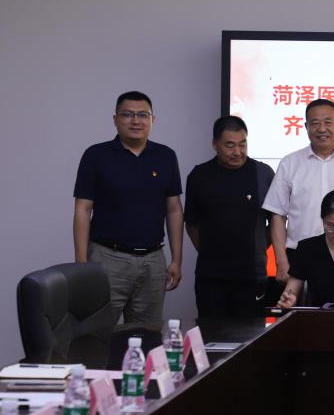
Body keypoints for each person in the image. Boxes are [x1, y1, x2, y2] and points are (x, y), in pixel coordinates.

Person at [73, 91, 183, 325]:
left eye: (143, 115)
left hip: (153, 261)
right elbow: (83, 209)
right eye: (127, 115)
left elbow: (174, 209)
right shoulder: (96, 155)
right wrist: (81, 263)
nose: (136, 121)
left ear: (153, 120)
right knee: (96, 333)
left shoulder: (166, 156)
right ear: (115, 119)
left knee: (147, 336)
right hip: (107, 258)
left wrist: (176, 259)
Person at [263, 99, 334, 289]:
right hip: (299, 256)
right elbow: (277, 215)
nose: (322, 129)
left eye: (328, 122)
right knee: (298, 307)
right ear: (306, 127)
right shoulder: (290, 163)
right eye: (315, 123)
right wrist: (281, 261)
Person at [184, 116, 275, 318]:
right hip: (211, 276)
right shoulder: (199, 176)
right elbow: (191, 224)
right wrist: (210, 251)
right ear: (215, 144)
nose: (238, 152)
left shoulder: (263, 173)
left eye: (243, 144)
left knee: (251, 334)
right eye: (230, 145)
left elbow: (276, 222)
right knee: (211, 333)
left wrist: (259, 247)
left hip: (251, 276)